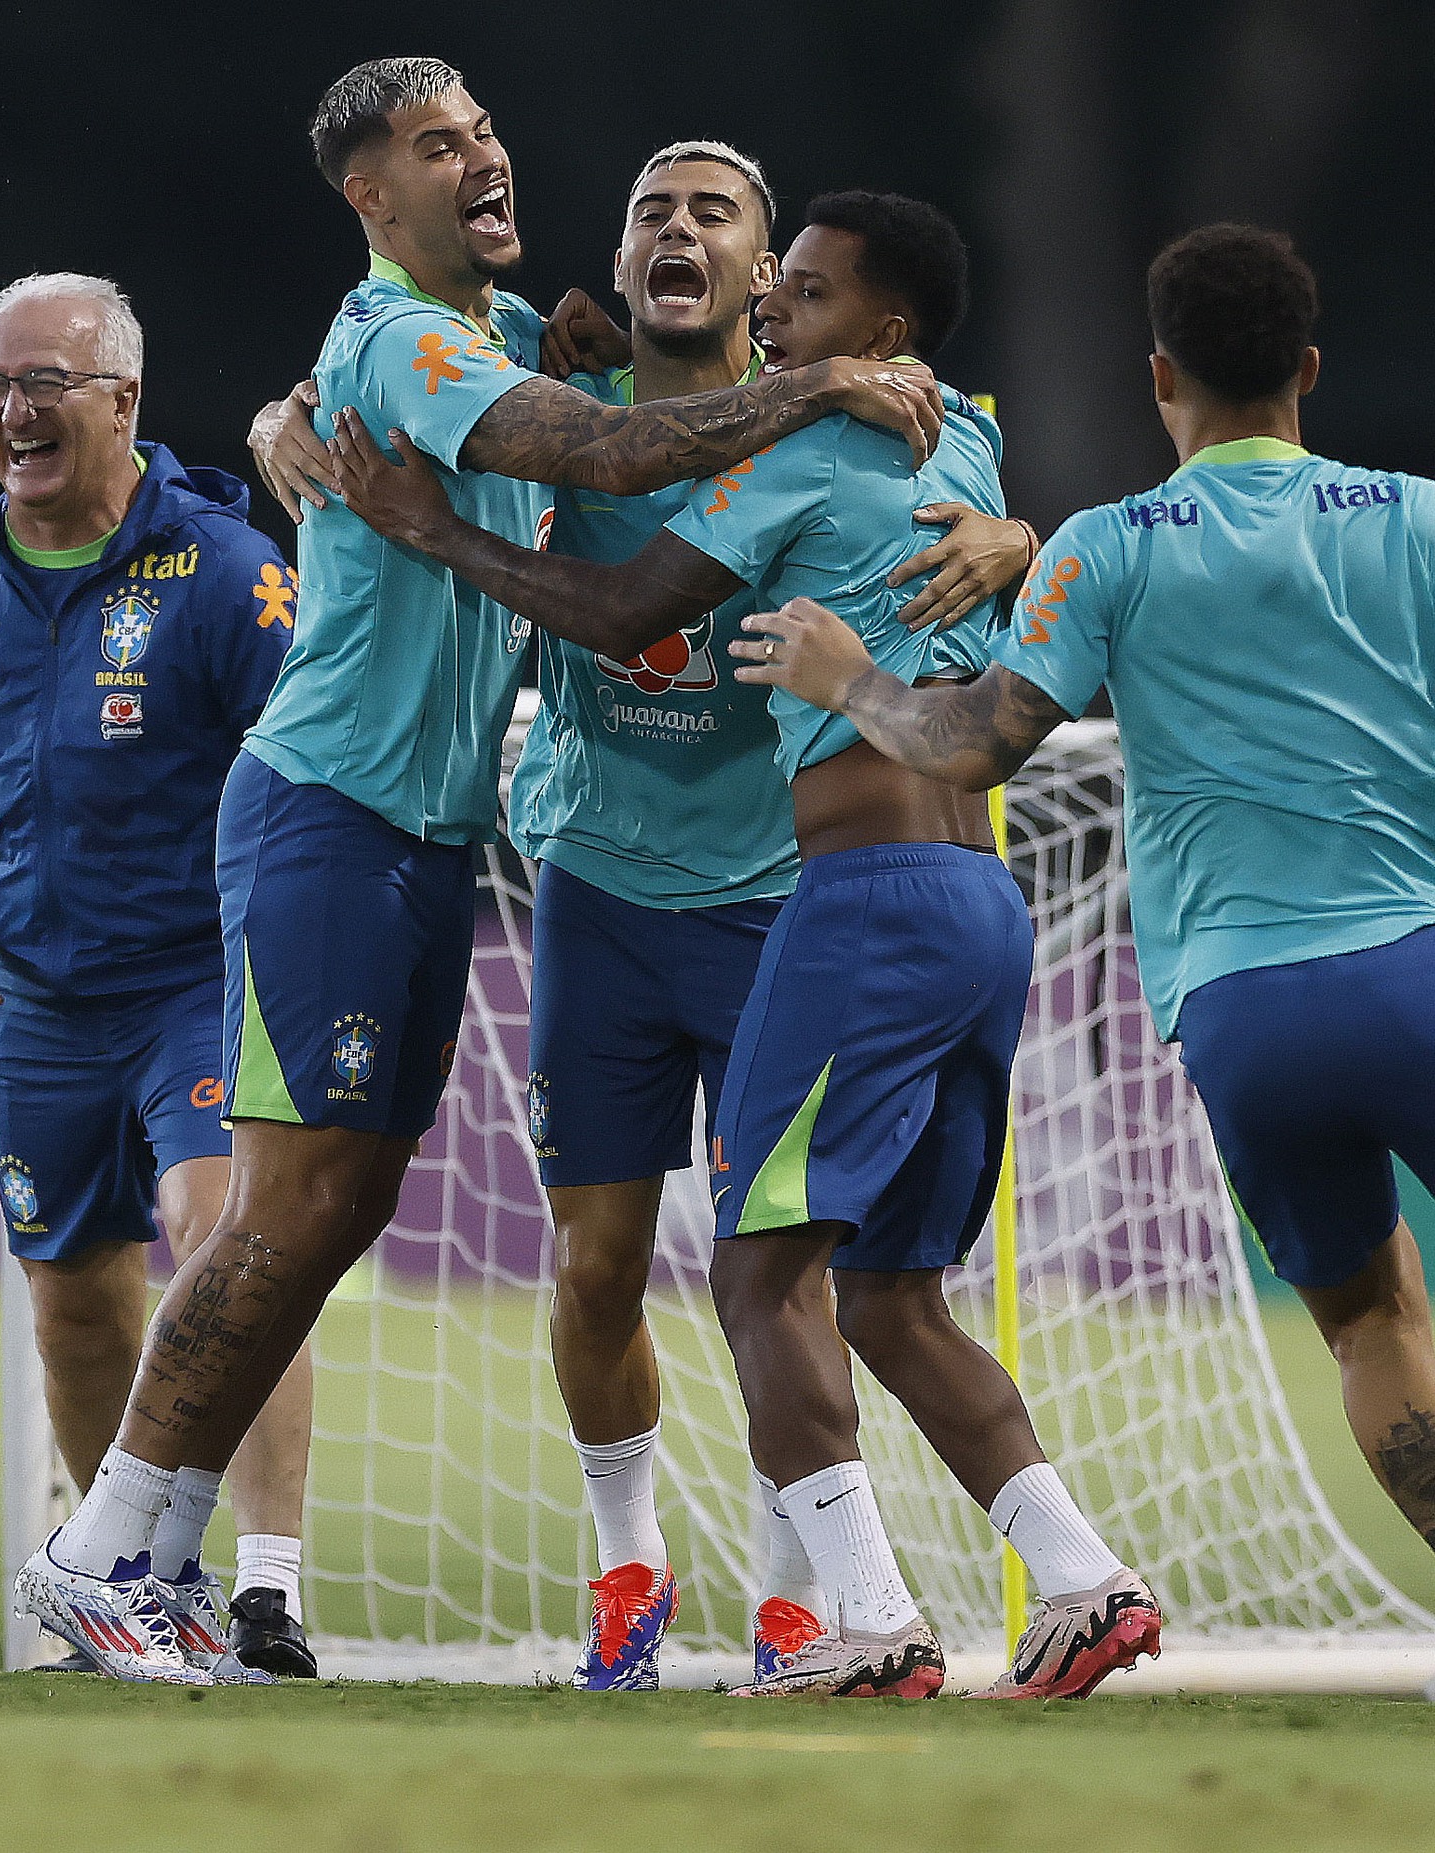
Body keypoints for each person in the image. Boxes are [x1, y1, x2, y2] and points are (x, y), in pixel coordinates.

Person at [11, 57, 948, 1684]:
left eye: (486, 130)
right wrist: (816, 388)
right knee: (286, 1206)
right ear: (372, 196)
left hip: (425, 835)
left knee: (340, 1206)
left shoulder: (492, 332)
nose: (483, 157)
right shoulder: (403, 338)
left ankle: (146, 1556)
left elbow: (558, 393)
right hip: (332, 811)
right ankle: (101, 1549)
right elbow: (601, 456)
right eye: (439, 146)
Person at [732, 221, 1435, 1716]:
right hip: (1419, 972)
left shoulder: (1103, 547)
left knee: (1371, 1327)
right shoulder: (1421, 517)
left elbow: (979, 742)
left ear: (1158, 376)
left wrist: (846, 677)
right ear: (1310, 370)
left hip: (1238, 1017)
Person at [327, 191, 1161, 1702]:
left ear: (886, 339)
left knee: (759, 1277)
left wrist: (432, 529)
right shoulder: (949, 439)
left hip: (851, 902)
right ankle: (1086, 1581)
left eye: (811, 293)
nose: (777, 307)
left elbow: (624, 602)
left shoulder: (788, 456)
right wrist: (1024, 527)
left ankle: (863, 1616)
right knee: (892, 1298)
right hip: (978, 907)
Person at [0, 272, 316, 1683]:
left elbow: (307, 750)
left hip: (202, 973)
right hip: (46, 1004)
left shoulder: (219, 566)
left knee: (223, 1239)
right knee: (72, 1304)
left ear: (122, 401)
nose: (14, 411)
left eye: (45, 384)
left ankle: (270, 1587)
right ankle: (140, 1584)